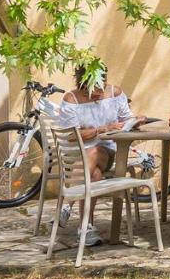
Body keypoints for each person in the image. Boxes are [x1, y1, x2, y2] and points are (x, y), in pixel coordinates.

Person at [54, 63, 135, 247]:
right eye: (92, 89)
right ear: (82, 83)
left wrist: (134, 121)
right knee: (95, 173)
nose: (98, 92)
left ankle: (67, 203)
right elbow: (74, 136)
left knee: (96, 151)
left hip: (107, 152)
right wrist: (102, 129)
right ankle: (86, 228)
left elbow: (126, 119)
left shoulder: (115, 93)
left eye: (102, 86)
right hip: (78, 156)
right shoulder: (71, 99)